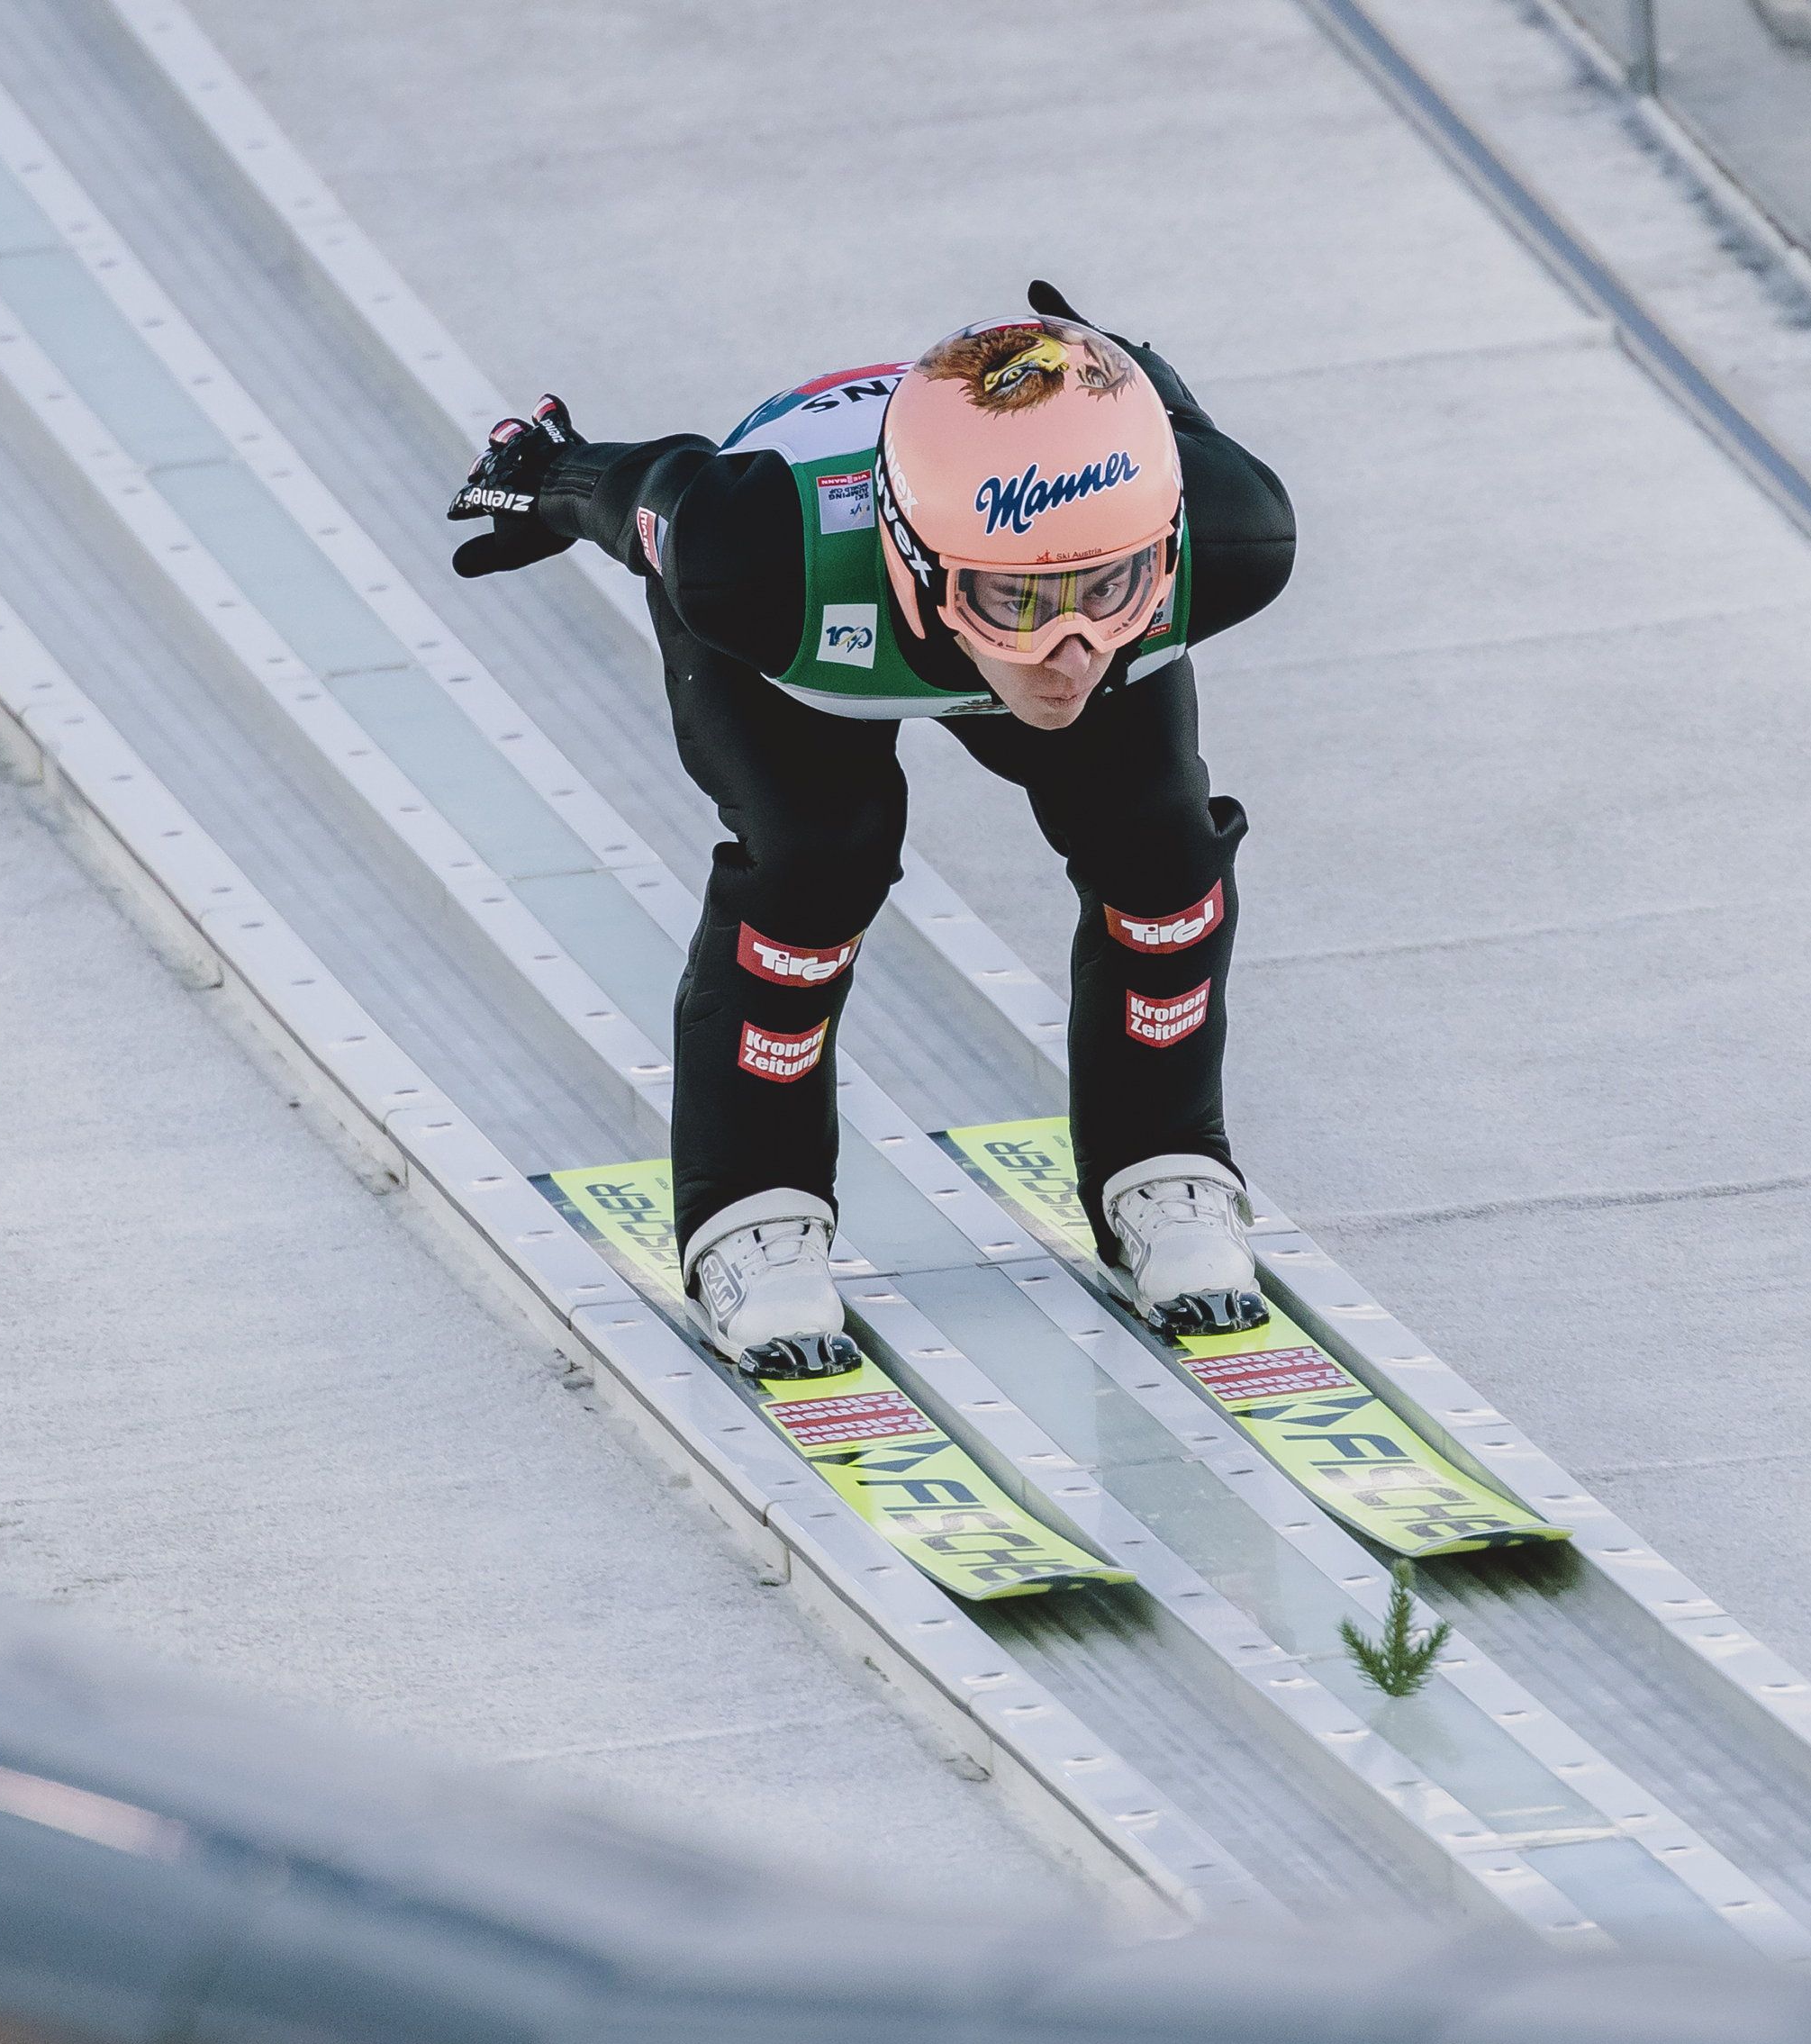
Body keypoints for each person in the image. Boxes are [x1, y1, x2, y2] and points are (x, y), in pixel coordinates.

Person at [447, 285, 1296, 1376]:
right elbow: (651, 487)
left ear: (1162, 543)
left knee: (1162, 858)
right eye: (1019, 603)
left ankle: (1166, 1162)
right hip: (811, 638)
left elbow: (1170, 437)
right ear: (912, 557)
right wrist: (551, 475)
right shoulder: (753, 553)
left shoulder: (1229, 530)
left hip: (937, 580)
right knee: (817, 862)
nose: (1071, 651)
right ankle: (751, 1208)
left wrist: (1120, 374)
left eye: (1110, 585)